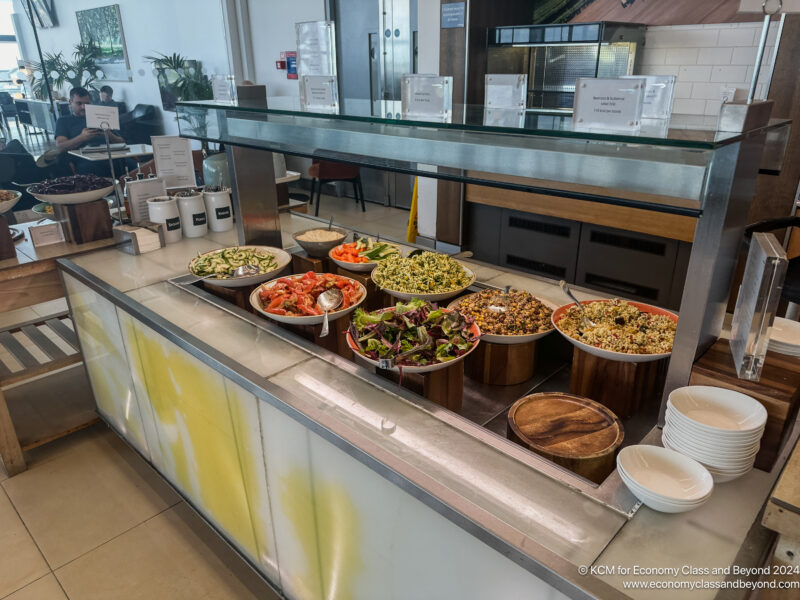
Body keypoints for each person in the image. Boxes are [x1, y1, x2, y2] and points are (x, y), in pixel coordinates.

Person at [54, 86, 126, 175]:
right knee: (93, 169)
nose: (83, 107)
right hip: (86, 160)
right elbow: (60, 147)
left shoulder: (100, 116)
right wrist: (82, 138)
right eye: (79, 103)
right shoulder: (63, 121)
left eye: (87, 103)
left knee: (135, 168)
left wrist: (109, 135)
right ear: (70, 103)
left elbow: (122, 142)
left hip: (112, 157)